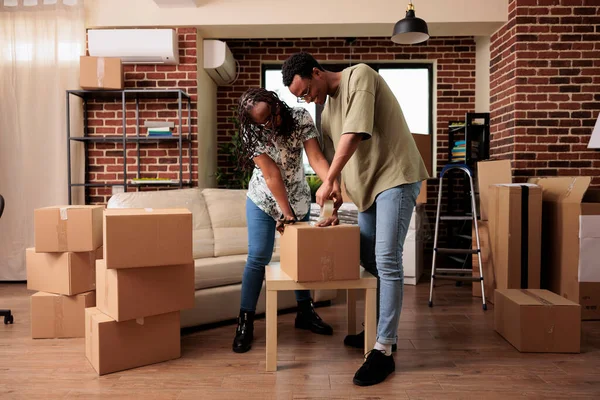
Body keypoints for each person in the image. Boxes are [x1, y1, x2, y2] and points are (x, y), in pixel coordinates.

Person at [282, 52, 429, 386]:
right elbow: (337, 160)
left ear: (317, 73)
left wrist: (329, 180)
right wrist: (334, 199)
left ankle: (384, 348)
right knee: (367, 257)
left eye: (305, 92)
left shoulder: (359, 76)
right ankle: (381, 328)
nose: (306, 99)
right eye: (299, 97)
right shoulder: (326, 111)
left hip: (395, 177)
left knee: (386, 259)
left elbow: (355, 134)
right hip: (367, 190)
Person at [232, 88, 343, 354]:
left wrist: (330, 183)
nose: (270, 124)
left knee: (299, 257)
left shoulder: (300, 117)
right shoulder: (251, 132)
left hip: (298, 196)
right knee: (258, 256)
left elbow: (316, 157)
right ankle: (245, 322)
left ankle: (305, 312)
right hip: (264, 198)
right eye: (263, 122)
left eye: (271, 116)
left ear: (276, 104)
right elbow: (270, 175)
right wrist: (286, 213)